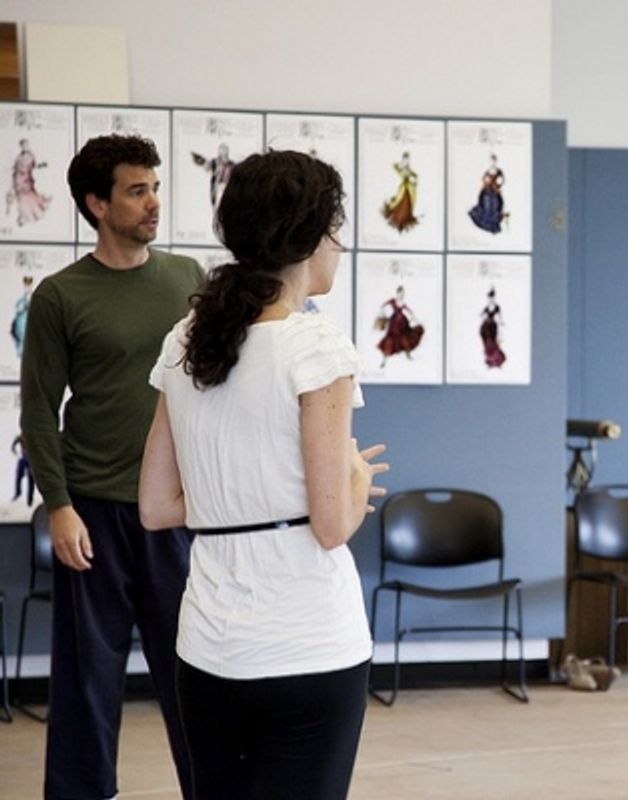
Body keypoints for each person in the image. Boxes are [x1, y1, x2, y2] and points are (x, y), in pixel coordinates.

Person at [139, 150, 388, 800]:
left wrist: (240, 489)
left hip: (207, 648)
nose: (340, 243)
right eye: (336, 227)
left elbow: (157, 505)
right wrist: (358, 476)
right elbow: (332, 526)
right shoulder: (315, 346)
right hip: (309, 647)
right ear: (308, 237)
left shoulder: (186, 339)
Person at [19, 134, 205, 799]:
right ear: (98, 204)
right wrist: (60, 506)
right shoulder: (60, 296)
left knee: (192, 676)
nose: (153, 201)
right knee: (86, 684)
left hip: (174, 513)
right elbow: (39, 411)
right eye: (136, 190)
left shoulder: (188, 279)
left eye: (154, 187)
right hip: (92, 512)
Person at [376, 284, 424, 365]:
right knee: (389, 342)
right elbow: (383, 306)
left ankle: (408, 355)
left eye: (403, 294)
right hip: (393, 325)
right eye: (400, 293)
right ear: (397, 293)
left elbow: (410, 313)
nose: (401, 295)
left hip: (403, 325)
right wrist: (383, 315)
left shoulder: (403, 303)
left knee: (406, 340)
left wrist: (416, 319)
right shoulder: (392, 301)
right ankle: (384, 360)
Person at [8, 138, 52, 226]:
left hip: (26, 179)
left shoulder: (31, 156)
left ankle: (28, 216)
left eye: (26, 145)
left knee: (28, 197)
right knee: (20, 198)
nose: (24, 147)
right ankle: (22, 216)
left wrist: (42, 165)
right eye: (23, 145)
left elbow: (34, 165)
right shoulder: (19, 156)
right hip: (17, 179)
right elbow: (15, 167)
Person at [468, 152, 506, 233]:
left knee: (494, 206)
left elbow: (501, 180)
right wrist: (486, 183)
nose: (493, 162)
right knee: (486, 204)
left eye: (494, 160)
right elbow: (484, 179)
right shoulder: (488, 171)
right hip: (487, 192)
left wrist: (497, 186)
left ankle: (492, 222)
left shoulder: (499, 171)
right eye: (492, 160)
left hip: (494, 193)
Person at [382, 151, 419, 232]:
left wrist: (414, 180)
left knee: (408, 204)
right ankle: (399, 220)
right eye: (405, 159)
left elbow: (415, 176)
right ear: (403, 160)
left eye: (408, 160)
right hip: (403, 189)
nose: (407, 161)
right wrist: (401, 165)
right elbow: (394, 166)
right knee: (400, 202)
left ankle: (404, 220)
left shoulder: (409, 169)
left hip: (409, 189)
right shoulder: (402, 168)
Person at [479, 286, 506, 368]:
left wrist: (501, 323)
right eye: (489, 298)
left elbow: (500, 317)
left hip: (492, 325)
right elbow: (482, 315)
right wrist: (483, 317)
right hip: (486, 325)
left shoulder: (497, 307)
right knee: (487, 340)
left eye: (492, 298)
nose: (491, 300)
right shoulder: (486, 307)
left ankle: (494, 361)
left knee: (492, 340)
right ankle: (490, 361)